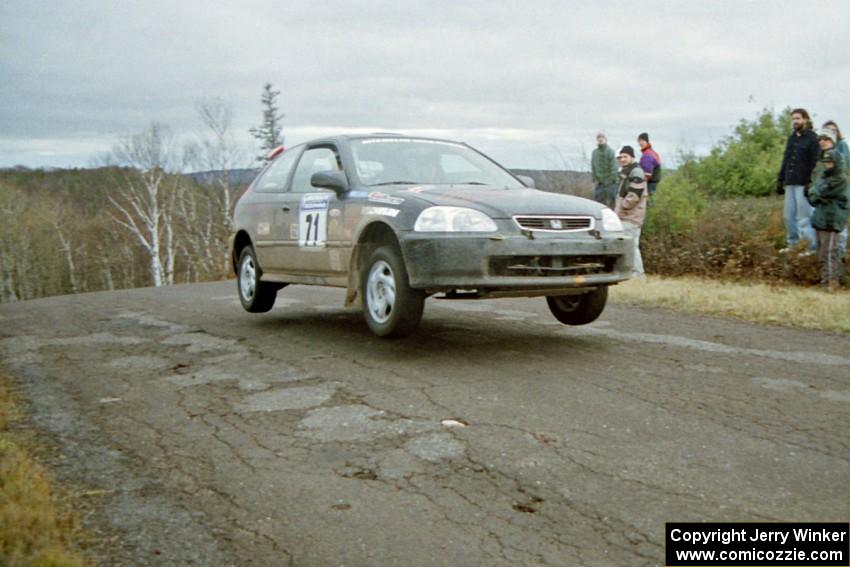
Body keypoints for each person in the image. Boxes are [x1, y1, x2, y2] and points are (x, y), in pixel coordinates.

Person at [806, 131, 848, 290]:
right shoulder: (822, 176)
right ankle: (824, 281)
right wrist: (816, 193)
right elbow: (813, 194)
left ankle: (832, 282)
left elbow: (822, 191)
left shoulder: (841, 178)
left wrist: (817, 193)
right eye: (826, 162)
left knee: (831, 252)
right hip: (820, 217)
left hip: (832, 219)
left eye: (830, 162)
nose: (828, 164)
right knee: (821, 252)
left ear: (836, 162)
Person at [777, 108, 819, 253]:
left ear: (805, 119)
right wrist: (780, 179)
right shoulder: (792, 138)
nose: (795, 121)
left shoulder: (813, 138)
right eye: (793, 119)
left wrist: (810, 183)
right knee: (789, 217)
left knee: (804, 218)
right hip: (790, 182)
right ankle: (793, 245)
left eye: (798, 118)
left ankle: (810, 247)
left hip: (803, 183)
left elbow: (816, 162)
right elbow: (786, 159)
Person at [614, 146, 648, 277]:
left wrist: (623, 206)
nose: (622, 159)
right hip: (626, 216)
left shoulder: (636, 172)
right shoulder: (627, 172)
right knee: (628, 245)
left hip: (631, 217)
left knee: (632, 246)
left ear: (632, 157)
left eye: (625, 156)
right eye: (620, 157)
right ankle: (629, 273)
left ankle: (638, 274)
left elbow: (634, 195)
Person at [822, 120, 849, 260]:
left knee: (840, 226)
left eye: (833, 130)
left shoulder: (841, 146)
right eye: (827, 130)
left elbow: (846, 167)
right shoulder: (823, 152)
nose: (830, 133)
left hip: (841, 191)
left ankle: (841, 256)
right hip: (827, 195)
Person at [591, 132, 618, 208]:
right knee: (598, 203)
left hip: (611, 183)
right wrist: (594, 178)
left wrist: (610, 179)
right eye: (599, 137)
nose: (600, 139)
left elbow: (614, 167)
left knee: (613, 203)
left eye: (602, 137)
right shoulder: (595, 153)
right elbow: (593, 166)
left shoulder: (610, 152)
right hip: (600, 183)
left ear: (606, 139)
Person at [637, 132, 662, 200]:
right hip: (654, 182)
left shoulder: (648, 154)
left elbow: (647, 172)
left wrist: (639, 182)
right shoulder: (652, 152)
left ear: (646, 141)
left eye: (642, 141)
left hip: (650, 183)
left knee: (648, 202)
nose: (640, 143)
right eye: (639, 141)